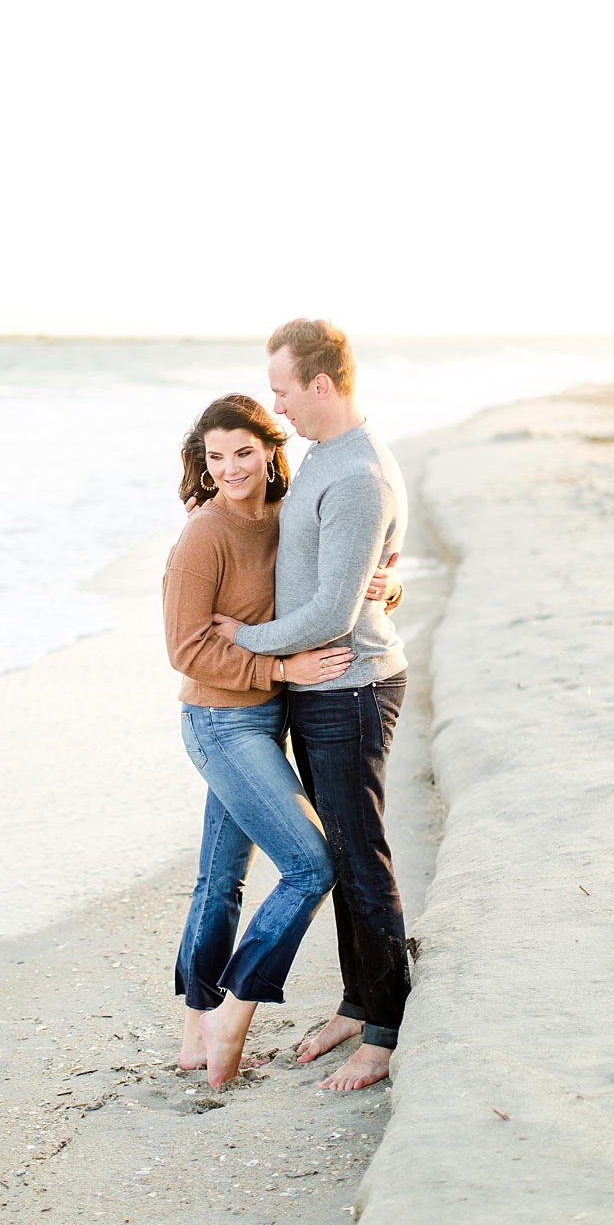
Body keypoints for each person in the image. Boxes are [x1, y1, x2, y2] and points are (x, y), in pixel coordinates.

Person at [210, 317, 412, 1093]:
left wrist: (249, 638)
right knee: (344, 856)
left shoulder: (358, 472)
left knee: (362, 858)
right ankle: (359, 1000)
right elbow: (369, 571)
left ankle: (386, 1029)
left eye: (284, 390)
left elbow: (333, 611)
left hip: (349, 687)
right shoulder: (329, 456)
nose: (278, 406)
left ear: (321, 385)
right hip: (321, 685)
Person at [165, 392, 353, 1088]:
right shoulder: (203, 534)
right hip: (219, 721)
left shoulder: (285, 516)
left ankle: (195, 1030)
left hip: (265, 720)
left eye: (243, 452)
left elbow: (332, 584)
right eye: (215, 457)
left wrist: (382, 588)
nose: (229, 468)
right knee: (311, 864)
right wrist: (280, 667)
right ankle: (230, 1009)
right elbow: (185, 649)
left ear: (272, 449)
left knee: (220, 880)